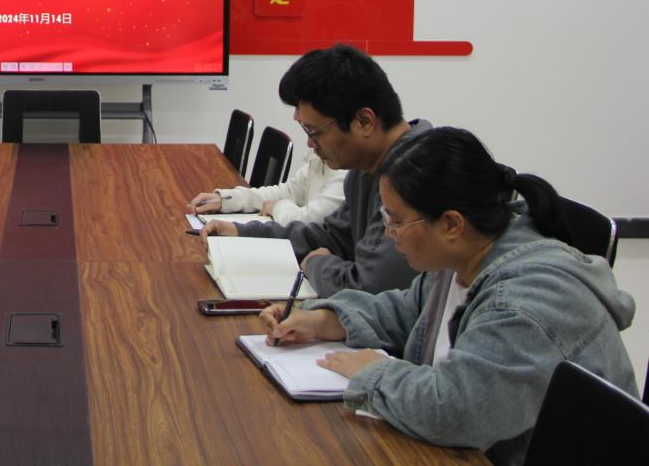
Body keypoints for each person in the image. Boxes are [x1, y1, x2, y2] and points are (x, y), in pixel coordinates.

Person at [259, 127, 637, 465]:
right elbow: (409, 309)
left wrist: (373, 372)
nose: (388, 233)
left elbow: (455, 411)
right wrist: (327, 319)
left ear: (452, 224)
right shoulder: (463, 257)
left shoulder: (522, 304)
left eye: (396, 220)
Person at [197, 44, 424, 296]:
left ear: (364, 121)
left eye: (314, 132)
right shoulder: (366, 166)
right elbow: (332, 237)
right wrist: (243, 232)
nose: (309, 143)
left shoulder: (417, 175)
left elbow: (370, 286)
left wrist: (317, 264)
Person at [187, 151, 346, 225]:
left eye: (313, 131)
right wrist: (227, 200)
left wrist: (277, 207)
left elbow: (308, 221)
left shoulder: (347, 172)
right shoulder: (322, 156)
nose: (309, 143)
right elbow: (288, 192)